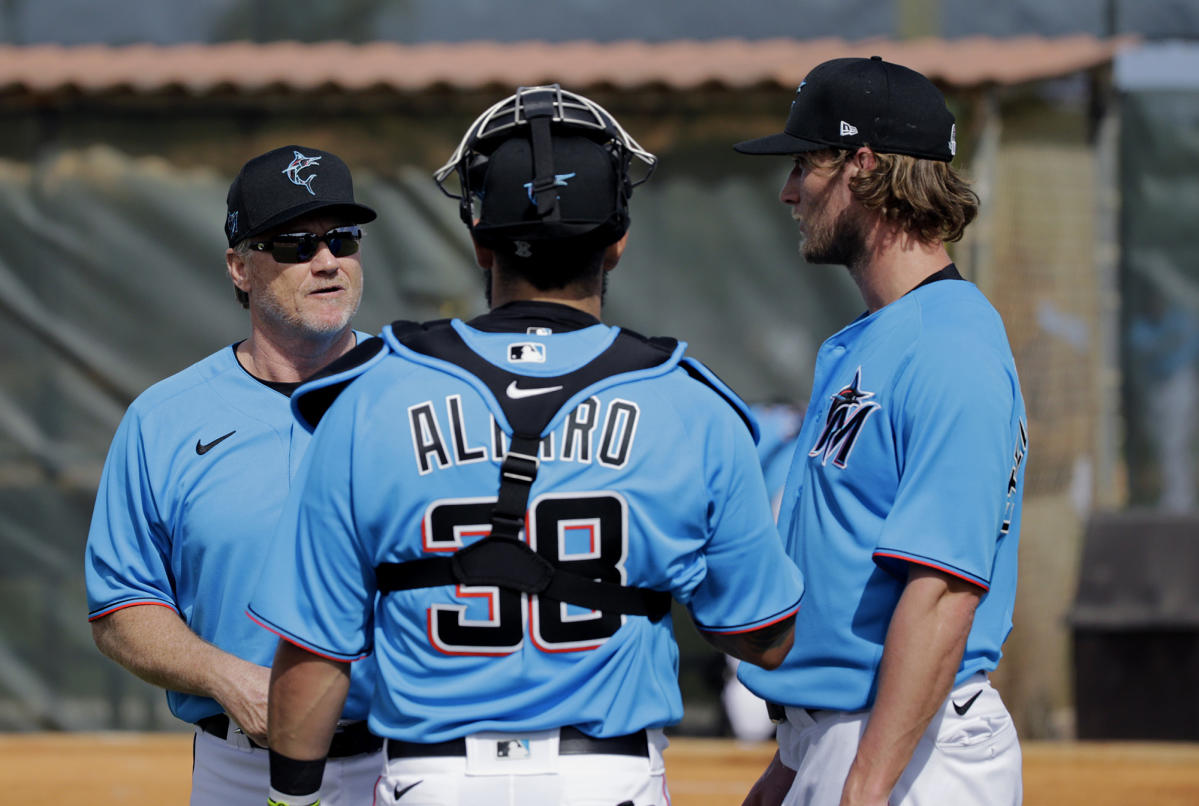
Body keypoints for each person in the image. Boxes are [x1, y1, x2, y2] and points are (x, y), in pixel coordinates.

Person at [247, 84, 804, 806]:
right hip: (609, 780)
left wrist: (291, 800)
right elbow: (761, 635)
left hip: (432, 779)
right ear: (618, 241)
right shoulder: (689, 402)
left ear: (478, 240)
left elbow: (315, 649)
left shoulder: (369, 396)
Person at [732, 57, 1029, 806]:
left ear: (861, 166)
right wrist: (794, 766)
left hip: (912, 755)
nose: (788, 190)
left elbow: (942, 591)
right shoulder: (880, 336)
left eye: (805, 164)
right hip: (850, 739)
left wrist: (864, 784)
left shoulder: (947, 345)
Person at [84, 145, 384, 805]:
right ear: (238, 267)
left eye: (342, 238)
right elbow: (122, 606)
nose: (327, 260)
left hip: (411, 762)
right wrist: (223, 675)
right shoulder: (163, 418)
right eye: (295, 244)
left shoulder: (423, 395)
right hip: (241, 768)